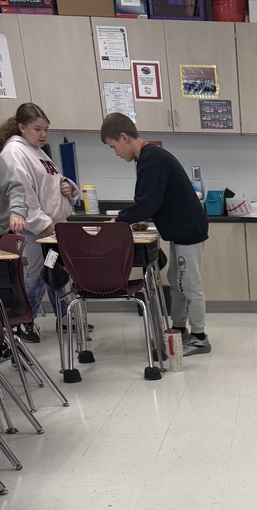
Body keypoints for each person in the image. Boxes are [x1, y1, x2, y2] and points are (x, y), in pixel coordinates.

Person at [100, 113, 210, 356]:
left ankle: (200, 337)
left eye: (113, 146)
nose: (116, 153)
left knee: (189, 284)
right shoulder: (148, 158)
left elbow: (147, 204)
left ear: (124, 137)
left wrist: (118, 221)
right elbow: (150, 202)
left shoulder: (152, 159)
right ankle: (179, 329)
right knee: (177, 281)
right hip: (182, 230)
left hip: (188, 230)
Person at [0, 102, 79, 343]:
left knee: (54, 271)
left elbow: (50, 181)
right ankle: (23, 324)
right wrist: (44, 225)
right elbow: (23, 195)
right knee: (37, 275)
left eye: (46, 128)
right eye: (37, 129)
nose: (43, 134)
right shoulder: (14, 153)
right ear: (22, 127)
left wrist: (68, 186)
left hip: (51, 228)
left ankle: (63, 318)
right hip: (34, 229)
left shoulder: (36, 149)